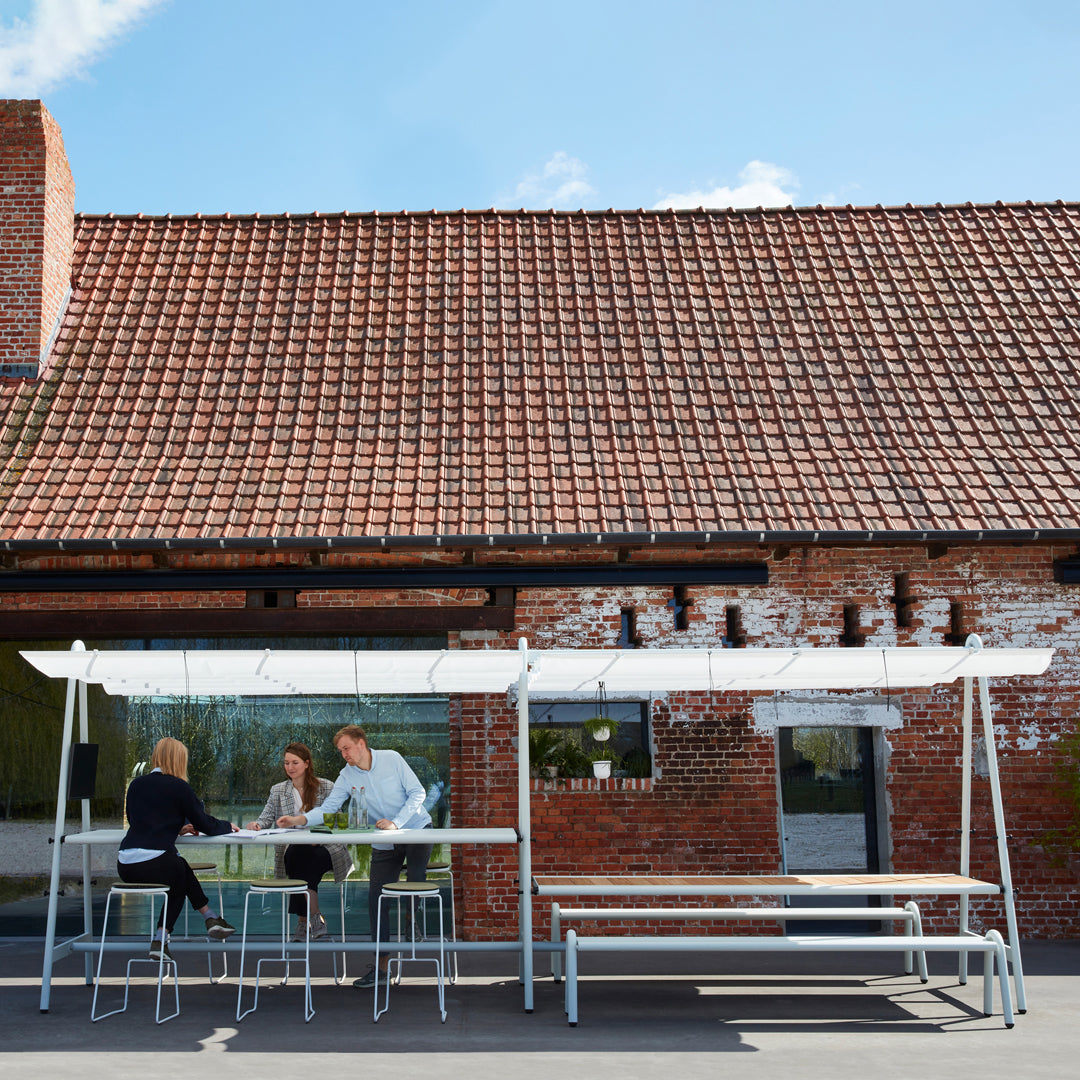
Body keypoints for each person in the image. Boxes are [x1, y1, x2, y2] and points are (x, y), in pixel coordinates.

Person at [276, 724, 432, 989]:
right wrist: (298, 819)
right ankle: (382, 969)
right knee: (377, 899)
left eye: (346, 748)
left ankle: (411, 920)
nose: (344, 754)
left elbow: (418, 793)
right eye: (340, 750)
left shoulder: (392, 759)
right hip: (383, 838)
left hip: (415, 827)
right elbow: (329, 807)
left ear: (361, 743)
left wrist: (396, 822)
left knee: (415, 879)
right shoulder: (346, 775)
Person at [117, 736, 238, 960]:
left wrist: (174, 829)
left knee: (179, 868)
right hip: (155, 862)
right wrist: (228, 826)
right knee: (178, 875)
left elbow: (137, 821)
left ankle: (209, 918)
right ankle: (168, 936)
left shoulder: (136, 785)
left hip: (125, 863)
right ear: (179, 760)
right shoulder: (179, 787)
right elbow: (205, 824)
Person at [246, 741, 353, 941]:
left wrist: (317, 838)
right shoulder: (278, 790)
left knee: (302, 859)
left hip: (324, 848)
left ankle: (303, 922)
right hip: (294, 850)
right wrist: (256, 825)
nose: (290, 767)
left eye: (294, 763)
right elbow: (265, 818)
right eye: (286, 763)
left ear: (306, 763)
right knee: (298, 855)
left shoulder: (326, 786)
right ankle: (315, 917)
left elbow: (336, 821)